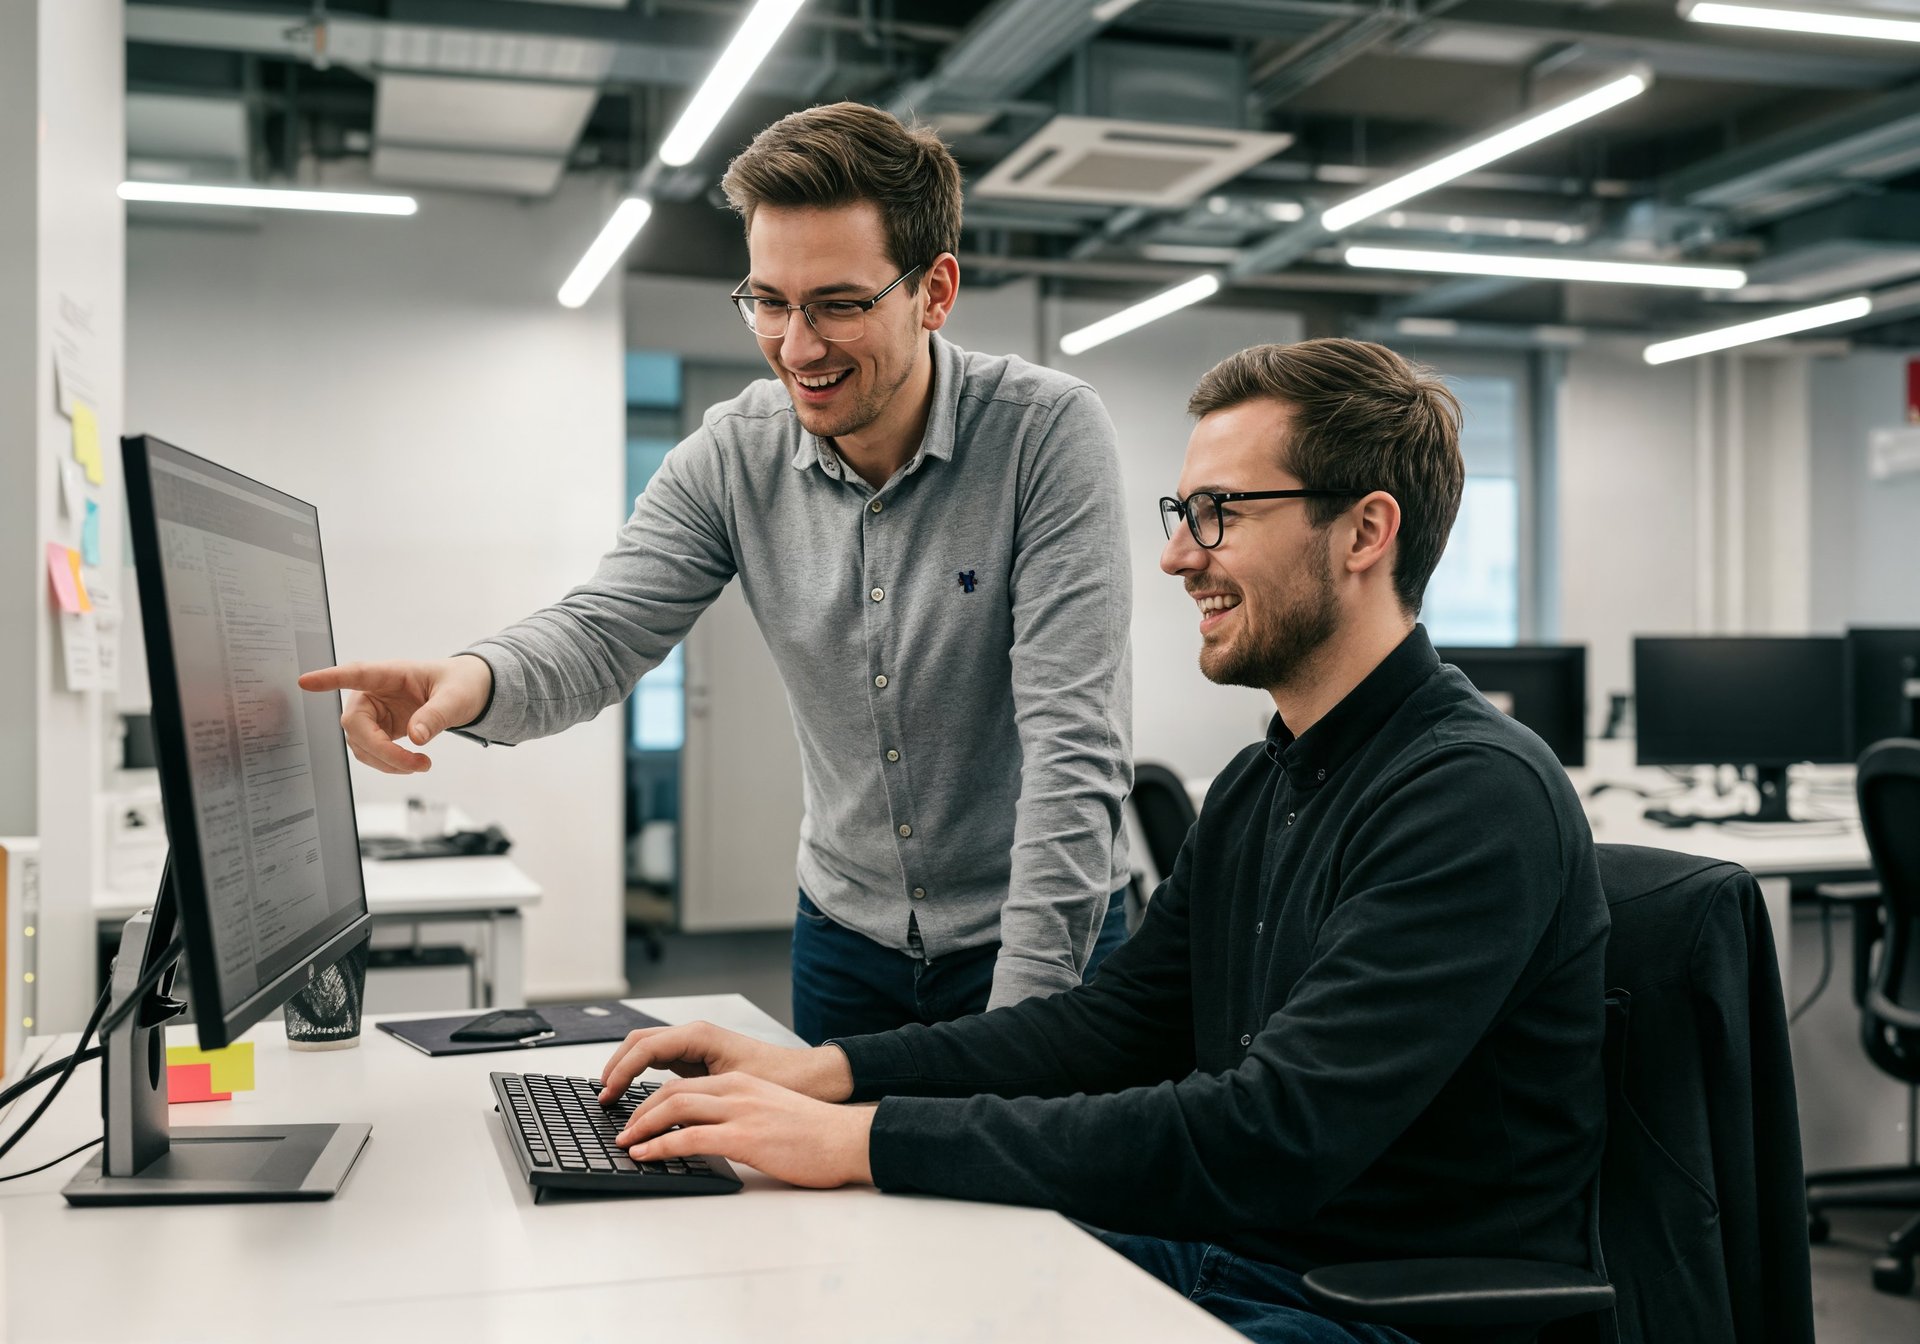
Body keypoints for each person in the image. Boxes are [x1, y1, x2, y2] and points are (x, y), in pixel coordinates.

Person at [592, 338, 1611, 1344]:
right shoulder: (1268, 781)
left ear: (1363, 532)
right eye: (1182, 514)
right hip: (1238, 1262)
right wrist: (822, 1074)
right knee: (860, 1285)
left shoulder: (1472, 797)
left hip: (1378, 1311)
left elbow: (1265, 1134)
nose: (1177, 555)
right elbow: (1103, 1032)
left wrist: (863, 1138)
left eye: (1219, 514)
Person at [300, 103, 1135, 1044]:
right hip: (847, 939)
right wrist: (474, 679)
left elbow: (1076, 747)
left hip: (1042, 933)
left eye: (839, 304)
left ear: (934, 291)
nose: (796, 345)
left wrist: (1017, 1032)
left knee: (1041, 1189)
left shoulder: (1045, 435)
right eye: (769, 301)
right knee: (840, 1192)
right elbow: (600, 631)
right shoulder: (734, 454)